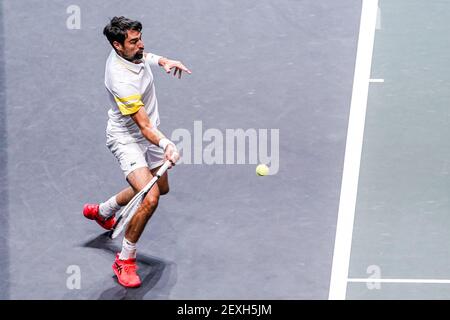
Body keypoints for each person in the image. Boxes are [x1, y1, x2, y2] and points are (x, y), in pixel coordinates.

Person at [83, 16, 191, 288]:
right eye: (134, 41)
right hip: (127, 139)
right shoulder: (120, 80)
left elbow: (143, 56)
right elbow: (143, 127)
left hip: (148, 133)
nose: (140, 44)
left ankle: (104, 211)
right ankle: (125, 260)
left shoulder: (129, 51)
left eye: (140, 37)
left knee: (159, 186)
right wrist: (166, 143)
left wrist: (163, 61)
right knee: (150, 197)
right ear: (118, 46)